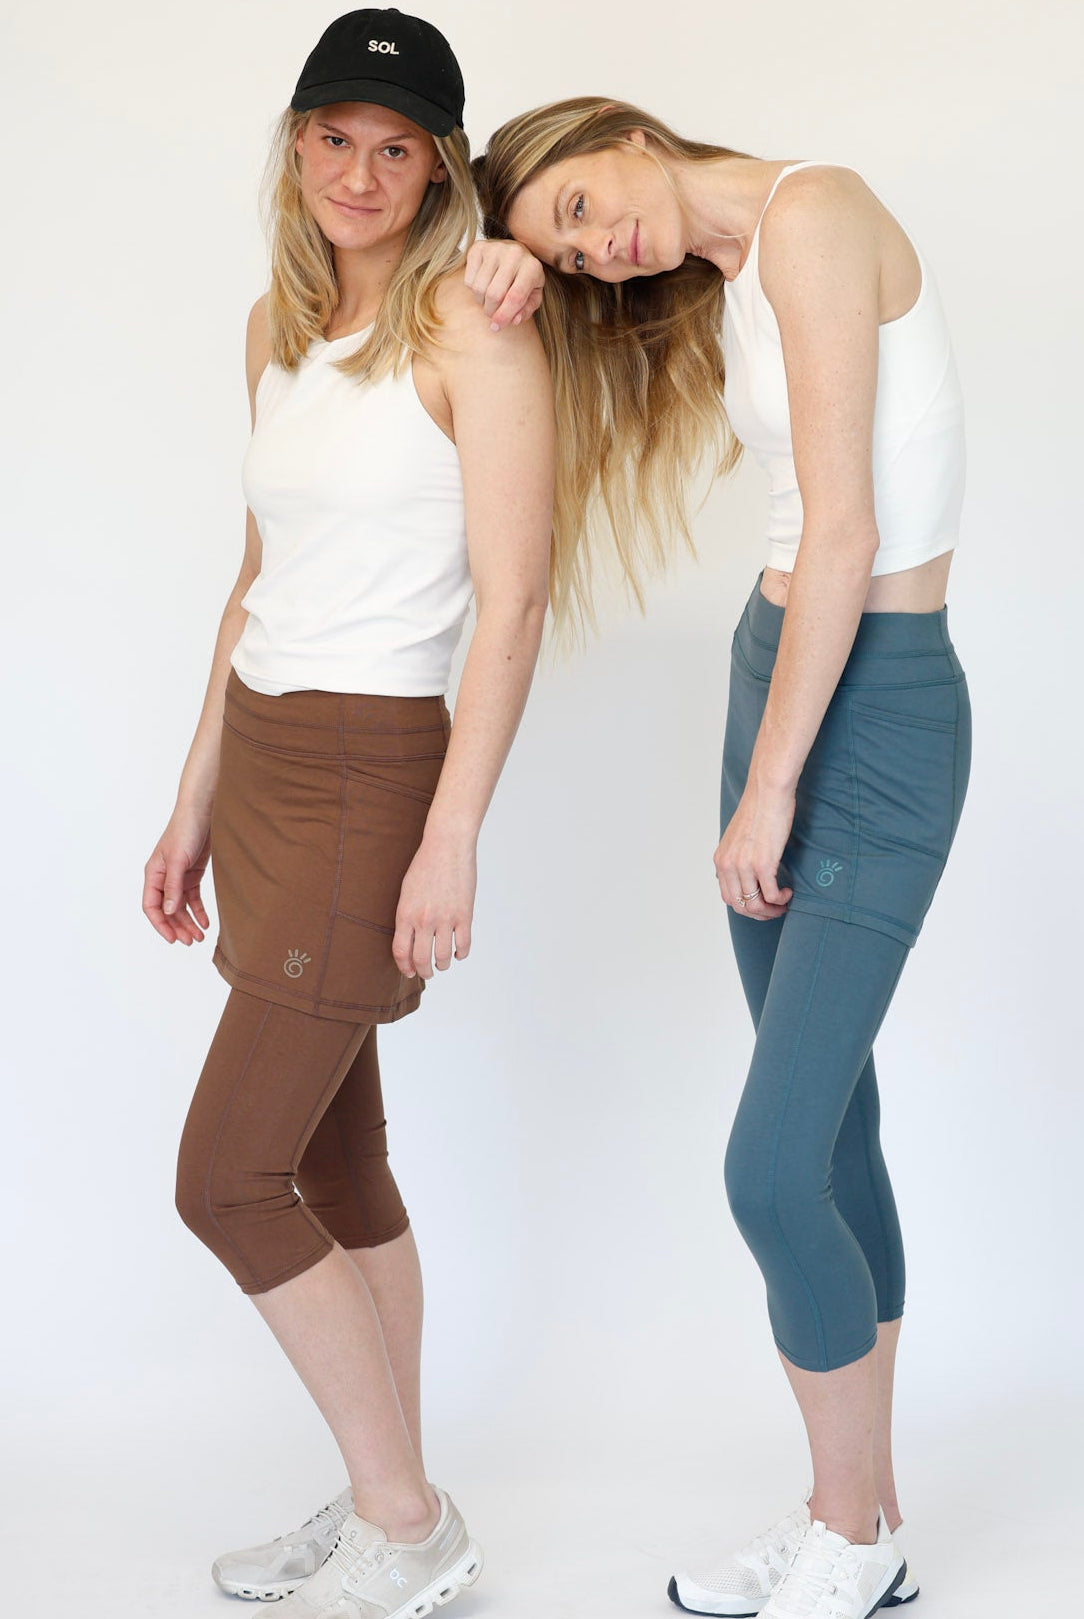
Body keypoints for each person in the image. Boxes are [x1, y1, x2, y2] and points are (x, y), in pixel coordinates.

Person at [469, 98, 971, 1619]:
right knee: (828, 1137)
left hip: (870, 714)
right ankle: (858, 1519)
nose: (596, 245)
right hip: (784, 671)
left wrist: (768, 793)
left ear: (615, 127)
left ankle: (849, 1530)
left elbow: (845, 528)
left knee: (767, 1171)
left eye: (573, 203)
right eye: (564, 248)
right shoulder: (741, 262)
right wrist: (486, 274)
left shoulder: (815, 215)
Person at [141, 12, 553, 1617]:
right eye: (336, 136)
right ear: (295, 143)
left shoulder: (478, 327)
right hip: (259, 754)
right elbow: (260, 578)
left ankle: (410, 1524)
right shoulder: (276, 324)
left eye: (399, 147)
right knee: (337, 1159)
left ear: (441, 168)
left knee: (225, 1180)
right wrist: (190, 798)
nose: (361, 172)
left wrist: (453, 829)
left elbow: (513, 605)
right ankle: (400, 1496)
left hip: (374, 768)